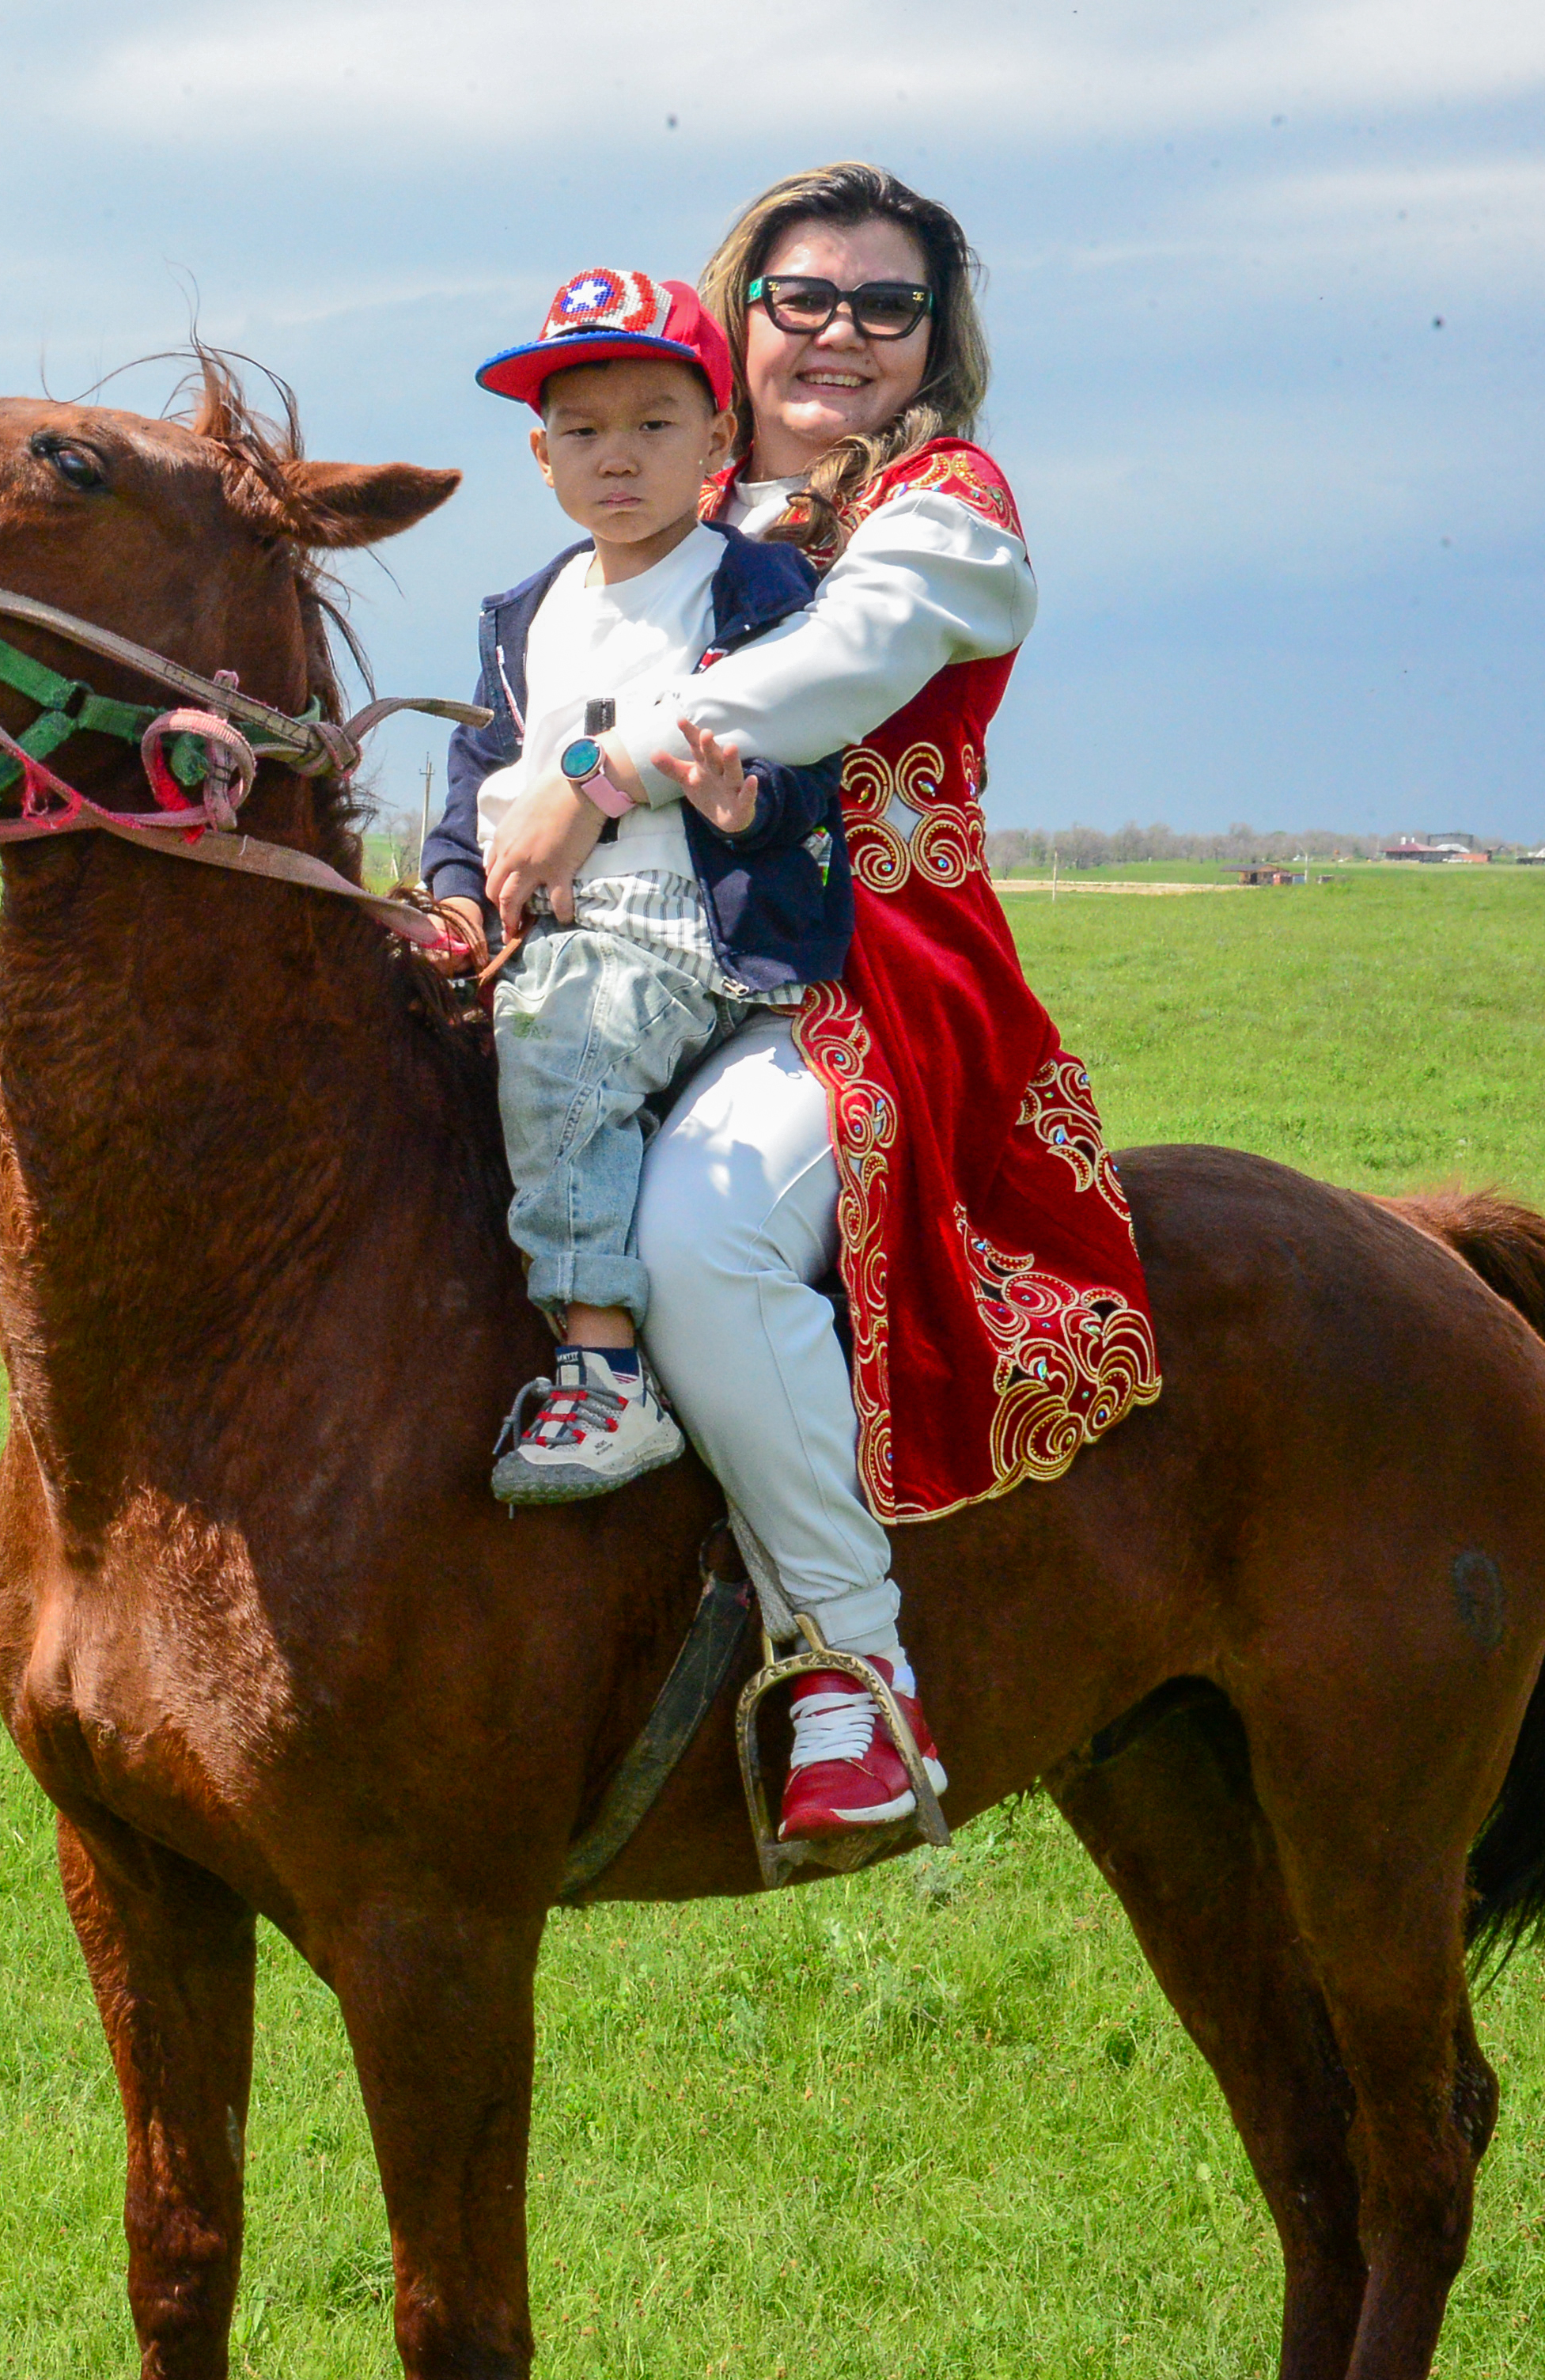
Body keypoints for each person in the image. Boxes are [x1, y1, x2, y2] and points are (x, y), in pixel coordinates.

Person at [473, 162, 1157, 1839]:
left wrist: (600, 765)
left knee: (702, 1233)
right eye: (804, 298)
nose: (842, 331)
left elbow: (836, 669)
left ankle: (859, 1665)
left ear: (937, 335)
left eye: (887, 304)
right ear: (740, 319)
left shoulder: (943, 503)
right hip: (619, 956)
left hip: (856, 981)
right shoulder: (664, 525)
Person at [424, 269, 850, 1505]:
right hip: (538, 917)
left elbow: (804, 756)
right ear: (541, 454)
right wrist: (455, 887)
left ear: (719, 438)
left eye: (655, 424)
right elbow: (479, 771)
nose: (618, 457)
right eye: (582, 430)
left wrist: (747, 803)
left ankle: (603, 1367)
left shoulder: (752, 589)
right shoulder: (527, 610)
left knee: (557, 1038)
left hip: (685, 932)